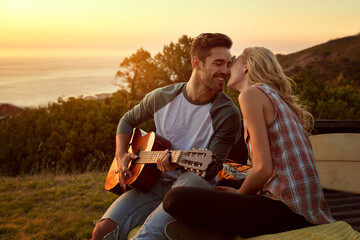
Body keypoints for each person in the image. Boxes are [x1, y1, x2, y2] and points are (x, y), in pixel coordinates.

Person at [163, 47, 334, 239]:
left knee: (174, 198)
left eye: (233, 63)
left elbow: (263, 170)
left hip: (288, 212)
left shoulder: (251, 95)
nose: (227, 71)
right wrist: (239, 190)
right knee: (225, 182)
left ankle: (214, 234)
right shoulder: (274, 97)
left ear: (246, 67)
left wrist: (238, 196)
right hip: (302, 207)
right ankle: (214, 231)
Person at [92, 33, 241, 240]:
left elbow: (212, 167)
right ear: (196, 63)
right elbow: (127, 120)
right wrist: (121, 154)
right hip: (153, 182)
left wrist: (178, 164)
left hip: (192, 186)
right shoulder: (162, 97)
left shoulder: (227, 113)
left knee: (147, 236)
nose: (225, 71)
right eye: (218, 63)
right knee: (102, 232)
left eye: (228, 64)